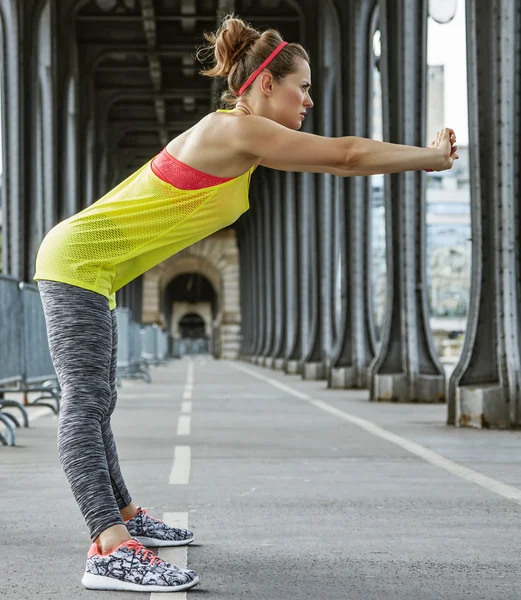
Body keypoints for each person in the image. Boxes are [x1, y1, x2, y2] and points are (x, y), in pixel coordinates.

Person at [33, 14, 458, 594]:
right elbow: (346, 155)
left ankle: (126, 517)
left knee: (100, 397)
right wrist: (427, 157)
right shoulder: (235, 130)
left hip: (93, 270)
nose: (309, 98)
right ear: (264, 86)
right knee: (84, 403)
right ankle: (107, 547)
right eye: (301, 86)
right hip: (77, 262)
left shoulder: (240, 139)